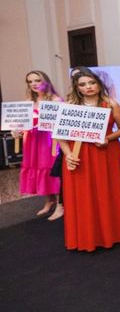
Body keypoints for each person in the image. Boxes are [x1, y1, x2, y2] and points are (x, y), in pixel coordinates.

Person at [59, 68, 120, 251]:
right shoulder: (69, 106)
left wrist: (108, 138)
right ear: (77, 88)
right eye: (83, 84)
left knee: (106, 192)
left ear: (99, 84)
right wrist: (68, 155)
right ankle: (86, 237)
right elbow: (59, 134)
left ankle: (112, 233)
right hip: (79, 156)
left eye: (92, 83)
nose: (88, 87)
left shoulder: (111, 104)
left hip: (105, 154)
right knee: (83, 195)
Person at [14, 71, 62, 219]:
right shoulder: (28, 101)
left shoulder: (56, 100)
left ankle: (61, 204)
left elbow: (61, 123)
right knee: (37, 169)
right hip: (32, 142)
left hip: (48, 141)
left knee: (52, 170)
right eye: (30, 81)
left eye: (37, 80)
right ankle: (49, 200)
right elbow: (20, 123)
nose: (34, 84)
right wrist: (16, 131)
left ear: (46, 81)